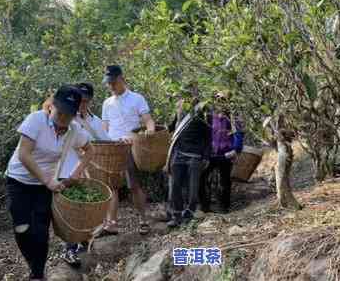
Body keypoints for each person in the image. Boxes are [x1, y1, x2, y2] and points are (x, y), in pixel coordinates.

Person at [5, 85, 93, 281]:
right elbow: (24, 154)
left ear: (74, 114)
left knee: (41, 231)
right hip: (19, 180)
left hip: (44, 187)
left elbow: (90, 150)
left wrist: (76, 174)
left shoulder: (74, 130)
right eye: (59, 111)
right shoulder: (36, 120)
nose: (62, 118)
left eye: (68, 114)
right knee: (22, 228)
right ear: (52, 105)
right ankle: (33, 265)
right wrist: (47, 180)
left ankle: (37, 274)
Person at [101, 65, 155, 235]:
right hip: (111, 149)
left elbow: (148, 120)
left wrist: (150, 130)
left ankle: (143, 219)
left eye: (113, 83)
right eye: (108, 83)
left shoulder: (136, 98)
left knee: (134, 186)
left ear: (121, 79)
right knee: (111, 187)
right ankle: (112, 224)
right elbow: (104, 127)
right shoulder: (107, 103)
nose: (111, 86)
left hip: (130, 147)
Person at [61, 82, 110, 267]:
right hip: (64, 170)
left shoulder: (94, 121)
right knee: (70, 210)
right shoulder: (63, 117)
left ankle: (78, 244)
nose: (82, 104)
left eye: (85, 101)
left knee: (83, 208)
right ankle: (70, 248)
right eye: (79, 100)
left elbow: (105, 141)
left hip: (83, 171)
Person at [165, 83, 212, 227]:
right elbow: (173, 126)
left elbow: (209, 135)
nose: (189, 95)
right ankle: (176, 215)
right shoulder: (179, 106)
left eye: (192, 92)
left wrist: (206, 156)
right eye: (186, 92)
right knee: (174, 187)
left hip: (195, 156)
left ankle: (190, 213)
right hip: (178, 153)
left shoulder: (204, 108)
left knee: (193, 190)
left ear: (196, 93)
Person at [199, 91, 244, 214]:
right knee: (202, 178)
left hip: (226, 152)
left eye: (223, 100)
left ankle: (224, 206)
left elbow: (239, 132)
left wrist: (236, 149)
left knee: (225, 180)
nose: (220, 102)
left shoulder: (233, 116)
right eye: (218, 99)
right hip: (210, 153)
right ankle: (204, 206)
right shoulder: (208, 115)